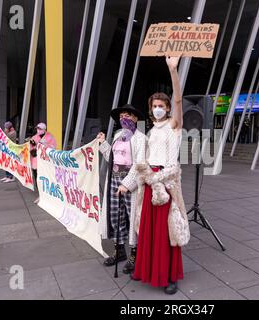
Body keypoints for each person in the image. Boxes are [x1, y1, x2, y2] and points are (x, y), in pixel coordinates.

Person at [131, 56, 189, 295]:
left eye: (161, 106)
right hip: (150, 183)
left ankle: (169, 276)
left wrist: (173, 70)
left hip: (166, 183)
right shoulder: (151, 130)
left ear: (167, 109)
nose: (158, 109)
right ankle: (147, 270)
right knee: (148, 229)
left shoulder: (175, 125)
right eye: (154, 106)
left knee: (167, 230)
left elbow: (177, 98)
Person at [97, 104, 146, 275]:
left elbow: (140, 164)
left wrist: (128, 183)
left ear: (135, 118)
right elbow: (112, 157)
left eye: (127, 115)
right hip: (114, 182)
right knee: (115, 216)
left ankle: (135, 254)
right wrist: (103, 144)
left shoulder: (141, 139)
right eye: (121, 116)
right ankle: (119, 251)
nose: (123, 118)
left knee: (132, 218)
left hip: (130, 186)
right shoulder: (118, 135)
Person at [29, 123, 57, 203]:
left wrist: (45, 145)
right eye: (37, 129)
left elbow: (53, 147)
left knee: (45, 179)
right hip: (35, 163)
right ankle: (40, 195)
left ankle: (46, 195)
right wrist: (32, 148)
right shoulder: (34, 137)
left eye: (40, 129)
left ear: (44, 130)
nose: (38, 130)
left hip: (45, 163)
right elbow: (30, 147)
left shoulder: (50, 137)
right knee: (37, 179)